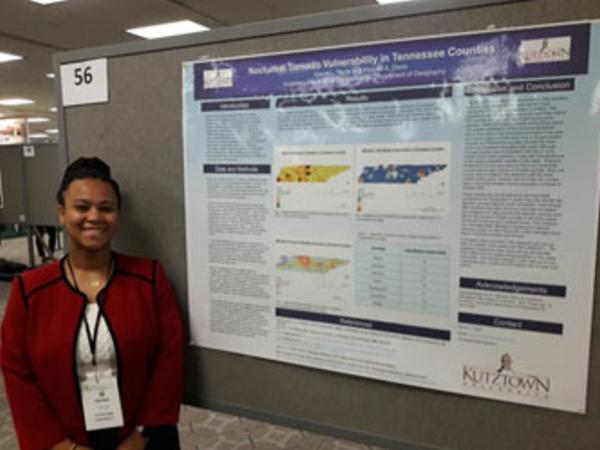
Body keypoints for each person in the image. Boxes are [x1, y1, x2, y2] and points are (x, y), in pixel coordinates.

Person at [1, 157, 184, 450]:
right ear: (62, 214)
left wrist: (141, 434)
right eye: (82, 207)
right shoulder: (30, 290)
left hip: (143, 440)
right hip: (61, 442)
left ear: (118, 215)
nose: (94, 216)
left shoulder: (149, 279)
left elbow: (169, 359)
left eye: (106, 208)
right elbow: (17, 372)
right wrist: (61, 445)